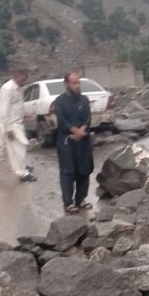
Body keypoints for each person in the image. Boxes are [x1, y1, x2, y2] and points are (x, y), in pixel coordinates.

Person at [0, 70, 37, 182]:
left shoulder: (18, 88)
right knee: (20, 148)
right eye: (23, 79)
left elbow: (18, 106)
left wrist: (25, 115)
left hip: (17, 123)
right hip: (11, 125)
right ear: (16, 76)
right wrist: (8, 128)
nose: (24, 82)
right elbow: (4, 110)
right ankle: (22, 174)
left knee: (7, 150)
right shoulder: (8, 88)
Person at [53, 71, 94, 214]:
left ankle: (80, 199)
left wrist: (82, 130)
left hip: (83, 140)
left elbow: (88, 118)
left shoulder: (84, 100)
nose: (77, 86)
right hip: (66, 141)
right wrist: (73, 130)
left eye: (78, 82)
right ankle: (68, 203)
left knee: (84, 170)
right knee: (68, 172)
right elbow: (62, 120)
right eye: (74, 83)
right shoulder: (59, 101)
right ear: (66, 84)